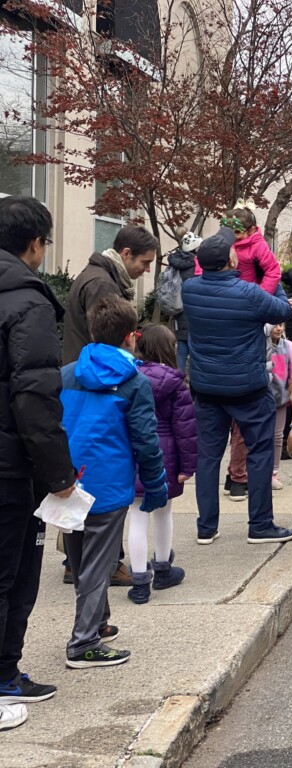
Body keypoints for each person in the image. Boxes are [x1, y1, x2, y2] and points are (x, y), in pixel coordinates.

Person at [0, 197, 77, 729]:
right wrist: (59, 475)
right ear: (35, 243)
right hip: (10, 466)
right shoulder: (28, 301)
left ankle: (7, 673)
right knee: (12, 574)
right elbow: (35, 397)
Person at [60, 296, 167, 667]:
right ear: (130, 336)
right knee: (99, 565)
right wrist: (156, 485)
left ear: (92, 330)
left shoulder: (67, 373)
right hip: (108, 485)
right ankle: (83, 642)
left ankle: (99, 622)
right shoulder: (133, 381)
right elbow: (145, 441)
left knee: (79, 558)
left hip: (68, 481)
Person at [182, 226, 292, 544]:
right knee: (259, 452)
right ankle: (259, 524)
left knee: (208, 457)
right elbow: (283, 310)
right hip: (247, 388)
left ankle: (206, 528)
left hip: (206, 387)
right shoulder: (249, 294)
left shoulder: (190, 290)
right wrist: (270, 272)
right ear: (231, 261)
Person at [126, 324, 197, 605]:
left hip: (133, 453)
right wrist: (187, 466)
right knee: (164, 513)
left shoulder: (128, 378)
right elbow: (186, 430)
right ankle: (163, 569)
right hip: (165, 453)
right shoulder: (176, 383)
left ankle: (140, 582)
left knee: (137, 516)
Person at [63, 225, 159, 364]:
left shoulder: (99, 277)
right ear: (126, 254)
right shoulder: (102, 284)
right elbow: (109, 345)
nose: (148, 269)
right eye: (145, 262)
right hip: (93, 376)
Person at [196, 205, 282, 293]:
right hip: (221, 290)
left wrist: (261, 294)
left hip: (246, 293)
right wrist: (202, 280)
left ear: (251, 230)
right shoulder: (222, 242)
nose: (231, 236)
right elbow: (203, 258)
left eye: (237, 232)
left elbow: (273, 271)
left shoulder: (258, 245)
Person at [266, 323, 292, 490]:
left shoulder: (289, 347)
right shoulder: (260, 345)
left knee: (278, 436)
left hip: (281, 397)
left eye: (281, 325)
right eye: (274, 326)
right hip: (262, 397)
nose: (278, 329)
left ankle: (274, 472)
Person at [165, 232, 203, 372]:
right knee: (194, 351)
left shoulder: (176, 263)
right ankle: (194, 382)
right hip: (193, 312)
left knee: (181, 349)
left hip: (179, 311)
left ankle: (178, 378)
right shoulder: (196, 266)